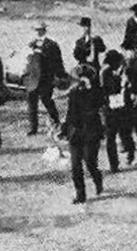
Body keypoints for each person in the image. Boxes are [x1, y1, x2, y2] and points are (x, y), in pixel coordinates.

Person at [59, 65, 104, 204]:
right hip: (75, 134)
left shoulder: (97, 93)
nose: (77, 82)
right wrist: (64, 129)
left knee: (90, 162)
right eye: (76, 80)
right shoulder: (73, 94)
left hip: (91, 132)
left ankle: (98, 179)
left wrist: (90, 89)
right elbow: (69, 114)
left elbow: (99, 107)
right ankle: (80, 194)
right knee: (75, 166)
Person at [23, 22, 67, 135]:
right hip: (32, 78)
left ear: (44, 30)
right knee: (31, 104)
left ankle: (56, 121)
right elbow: (25, 61)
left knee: (47, 101)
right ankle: (33, 128)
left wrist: (60, 76)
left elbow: (57, 62)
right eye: (36, 29)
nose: (38, 31)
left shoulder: (51, 45)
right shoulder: (29, 44)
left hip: (45, 79)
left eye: (40, 29)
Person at [100, 50, 137, 171]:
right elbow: (103, 91)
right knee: (110, 138)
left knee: (125, 134)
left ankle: (130, 154)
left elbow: (134, 88)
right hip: (110, 109)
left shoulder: (127, 72)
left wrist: (127, 84)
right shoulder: (105, 73)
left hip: (124, 109)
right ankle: (114, 164)